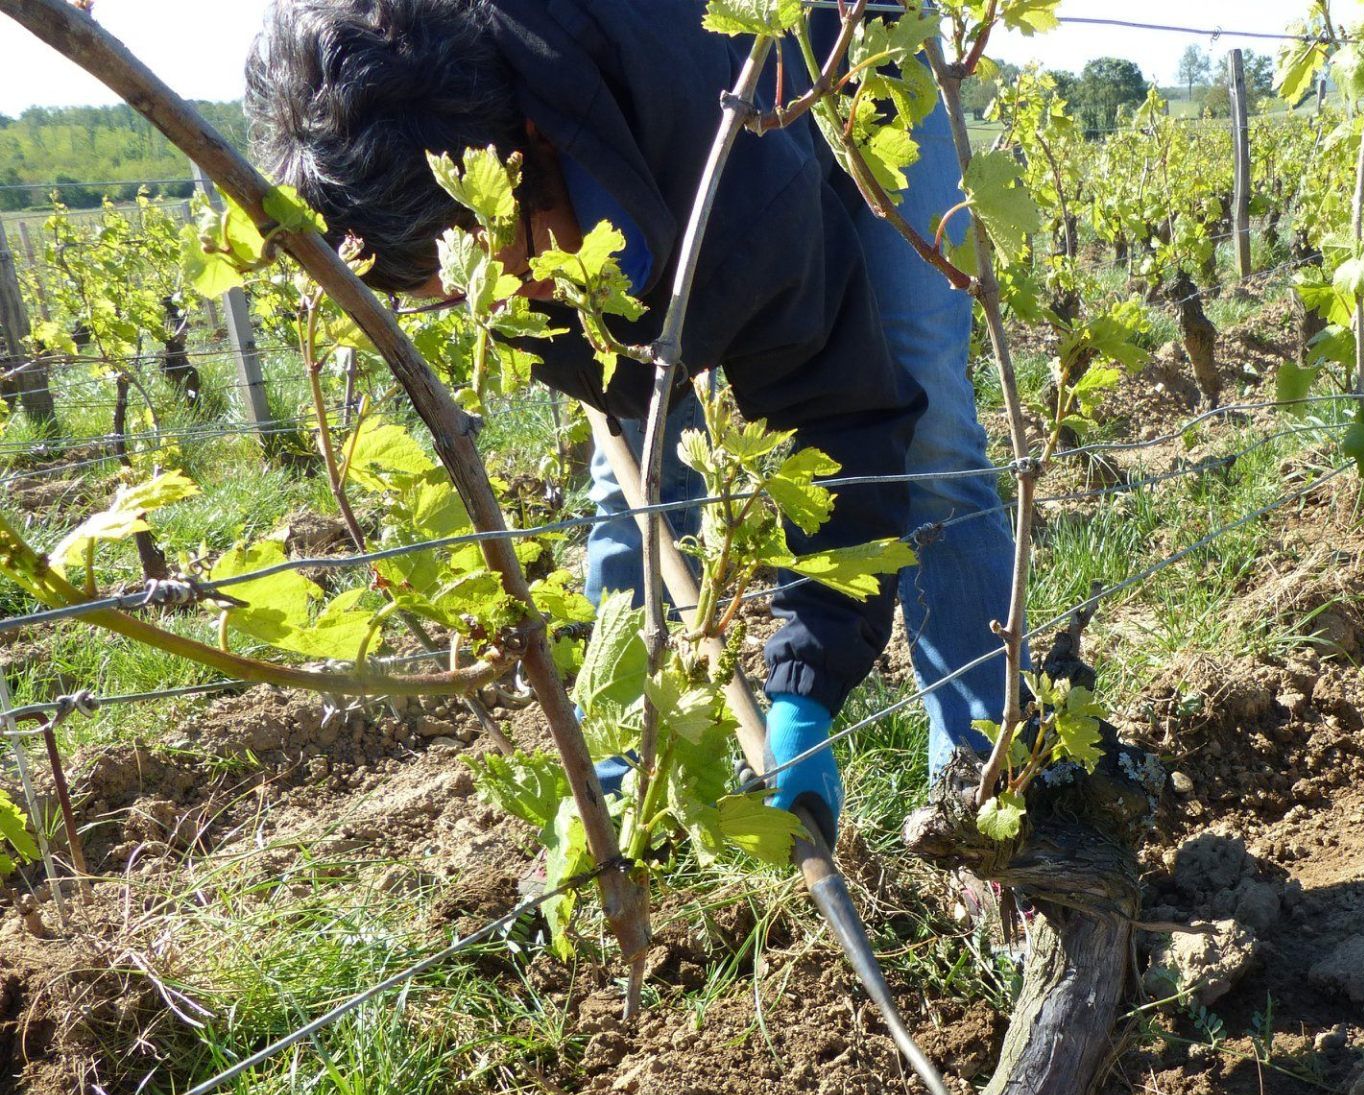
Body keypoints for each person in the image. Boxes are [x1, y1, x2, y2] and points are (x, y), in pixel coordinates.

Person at [245, 0, 1015, 843]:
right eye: (452, 292)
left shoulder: (726, 182)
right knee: (637, 477)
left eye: (489, 263)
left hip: (851, 41)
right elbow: (611, 380)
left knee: (925, 412)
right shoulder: (462, 151)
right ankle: (620, 791)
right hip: (630, 160)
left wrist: (806, 681)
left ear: (525, 147)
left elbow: (836, 404)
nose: (487, 303)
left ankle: (989, 790)